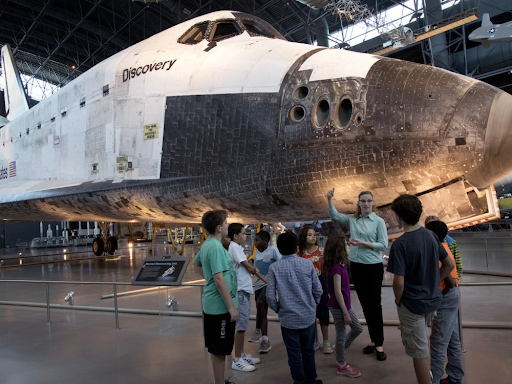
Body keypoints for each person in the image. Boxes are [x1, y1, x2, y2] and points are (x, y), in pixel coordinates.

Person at [387, 195, 455, 384]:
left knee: (419, 353)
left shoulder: (400, 244)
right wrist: (433, 283)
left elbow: (398, 282)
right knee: (423, 344)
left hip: (412, 304)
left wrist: (398, 300)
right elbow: (448, 264)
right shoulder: (431, 235)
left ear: (398, 216)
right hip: (432, 301)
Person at [326, 188, 388, 360]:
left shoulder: (378, 221)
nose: (366, 204)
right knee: (365, 305)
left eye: (369, 201)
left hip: (373, 267)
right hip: (356, 267)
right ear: (359, 203)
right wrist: (329, 199)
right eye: (363, 201)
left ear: (373, 203)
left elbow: (383, 245)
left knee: (375, 305)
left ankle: (379, 343)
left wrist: (362, 243)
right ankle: (373, 340)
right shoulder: (353, 219)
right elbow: (335, 215)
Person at [267, 231, 324, 384]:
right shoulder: (307, 263)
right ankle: (311, 379)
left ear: (278, 249)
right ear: (297, 247)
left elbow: (270, 297)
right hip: (308, 317)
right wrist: (313, 305)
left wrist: (279, 309)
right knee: (308, 351)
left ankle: (299, 381)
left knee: (293, 354)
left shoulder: (274, 268)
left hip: (288, 320)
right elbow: (318, 290)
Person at [194, 210, 239, 384]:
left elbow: (196, 263)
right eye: (226, 223)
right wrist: (231, 307)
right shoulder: (215, 247)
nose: (228, 225)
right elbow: (219, 278)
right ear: (220, 227)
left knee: (216, 349)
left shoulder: (208, 245)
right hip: (219, 309)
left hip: (214, 305)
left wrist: (208, 277)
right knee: (220, 350)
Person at [425, 220, 464, 384]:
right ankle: (455, 377)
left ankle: (435, 379)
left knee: (438, 341)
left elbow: (450, 281)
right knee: (452, 338)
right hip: (451, 297)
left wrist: (433, 288)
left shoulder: (439, 253)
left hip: (446, 298)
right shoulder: (444, 247)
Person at [323, 235, 363, 378]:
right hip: (339, 307)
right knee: (341, 333)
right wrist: (345, 312)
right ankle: (341, 365)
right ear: (339, 249)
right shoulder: (335, 268)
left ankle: (341, 348)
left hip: (344, 305)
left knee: (357, 328)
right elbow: (338, 292)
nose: (347, 247)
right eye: (345, 245)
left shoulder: (340, 265)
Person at [227, 223, 265, 372]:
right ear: (235, 236)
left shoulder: (234, 247)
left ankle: (241, 354)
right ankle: (237, 359)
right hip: (240, 291)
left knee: (243, 325)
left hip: (243, 290)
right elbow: (248, 267)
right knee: (241, 326)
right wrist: (263, 277)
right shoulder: (235, 247)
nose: (245, 236)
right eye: (243, 233)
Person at [298, 224, 333, 354]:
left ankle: (326, 341)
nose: (313, 237)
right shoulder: (299, 253)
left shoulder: (322, 251)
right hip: (305, 285)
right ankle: (312, 340)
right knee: (309, 313)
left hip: (321, 282)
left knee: (323, 312)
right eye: (309, 235)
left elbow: (328, 269)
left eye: (314, 234)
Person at [248, 230, 281, 353]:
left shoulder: (273, 251)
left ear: (266, 241)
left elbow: (280, 264)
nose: (255, 243)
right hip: (259, 284)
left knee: (261, 302)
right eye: (255, 240)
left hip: (270, 283)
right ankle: (263, 338)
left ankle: (260, 333)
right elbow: (256, 270)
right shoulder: (256, 253)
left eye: (257, 240)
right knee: (261, 310)